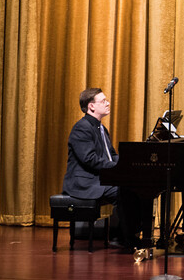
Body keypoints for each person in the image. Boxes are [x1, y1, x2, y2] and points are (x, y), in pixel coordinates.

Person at [63, 88, 148, 250]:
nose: (108, 103)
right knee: (123, 190)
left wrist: (129, 163)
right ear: (91, 106)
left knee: (136, 188)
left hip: (98, 178)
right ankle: (127, 238)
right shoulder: (81, 128)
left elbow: (112, 155)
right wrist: (119, 167)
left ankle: (124, 235)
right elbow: (90, 159)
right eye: (103, 101)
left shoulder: (100, 128)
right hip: (84, 183)